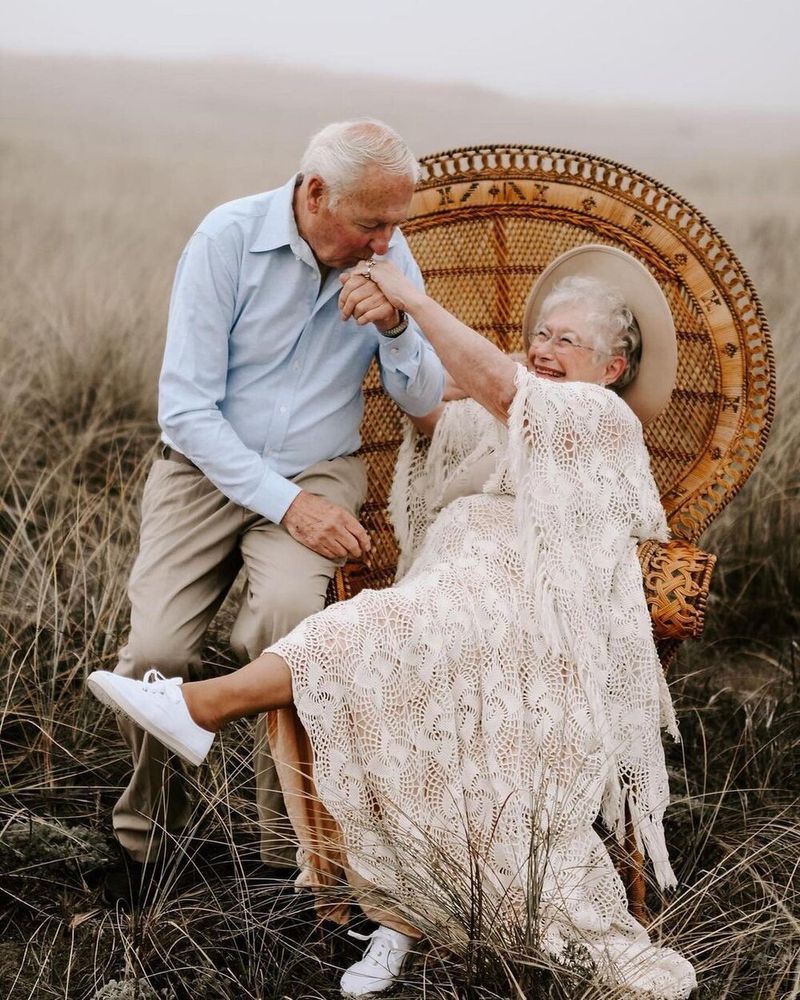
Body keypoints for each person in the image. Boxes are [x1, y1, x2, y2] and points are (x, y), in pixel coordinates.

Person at [88, 245, 696, 998]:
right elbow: (435, 412)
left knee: (359, 638)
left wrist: (411, 295)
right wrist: (399, 330)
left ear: (610, 368)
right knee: (388, 655)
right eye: (541, 335)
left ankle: (200, 707)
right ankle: (399, 914)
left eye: (566, 341)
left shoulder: (597, 418)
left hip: (529, 600)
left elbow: (502, 388)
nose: (543, 349)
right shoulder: (511, 413)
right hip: (454, 582)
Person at [109, 118, 445, 877]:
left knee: (286, 628)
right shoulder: (225, 240)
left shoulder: (391, 259)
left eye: (397, 223)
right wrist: (284, 505)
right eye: (372, 222)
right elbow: (185, 411)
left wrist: (397, 325)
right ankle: (146, 841)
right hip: (201, 468)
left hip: (319, 468)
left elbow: (424, 400)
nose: (386, 242)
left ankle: (283, 855)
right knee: (154, 653)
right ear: (315, 192)